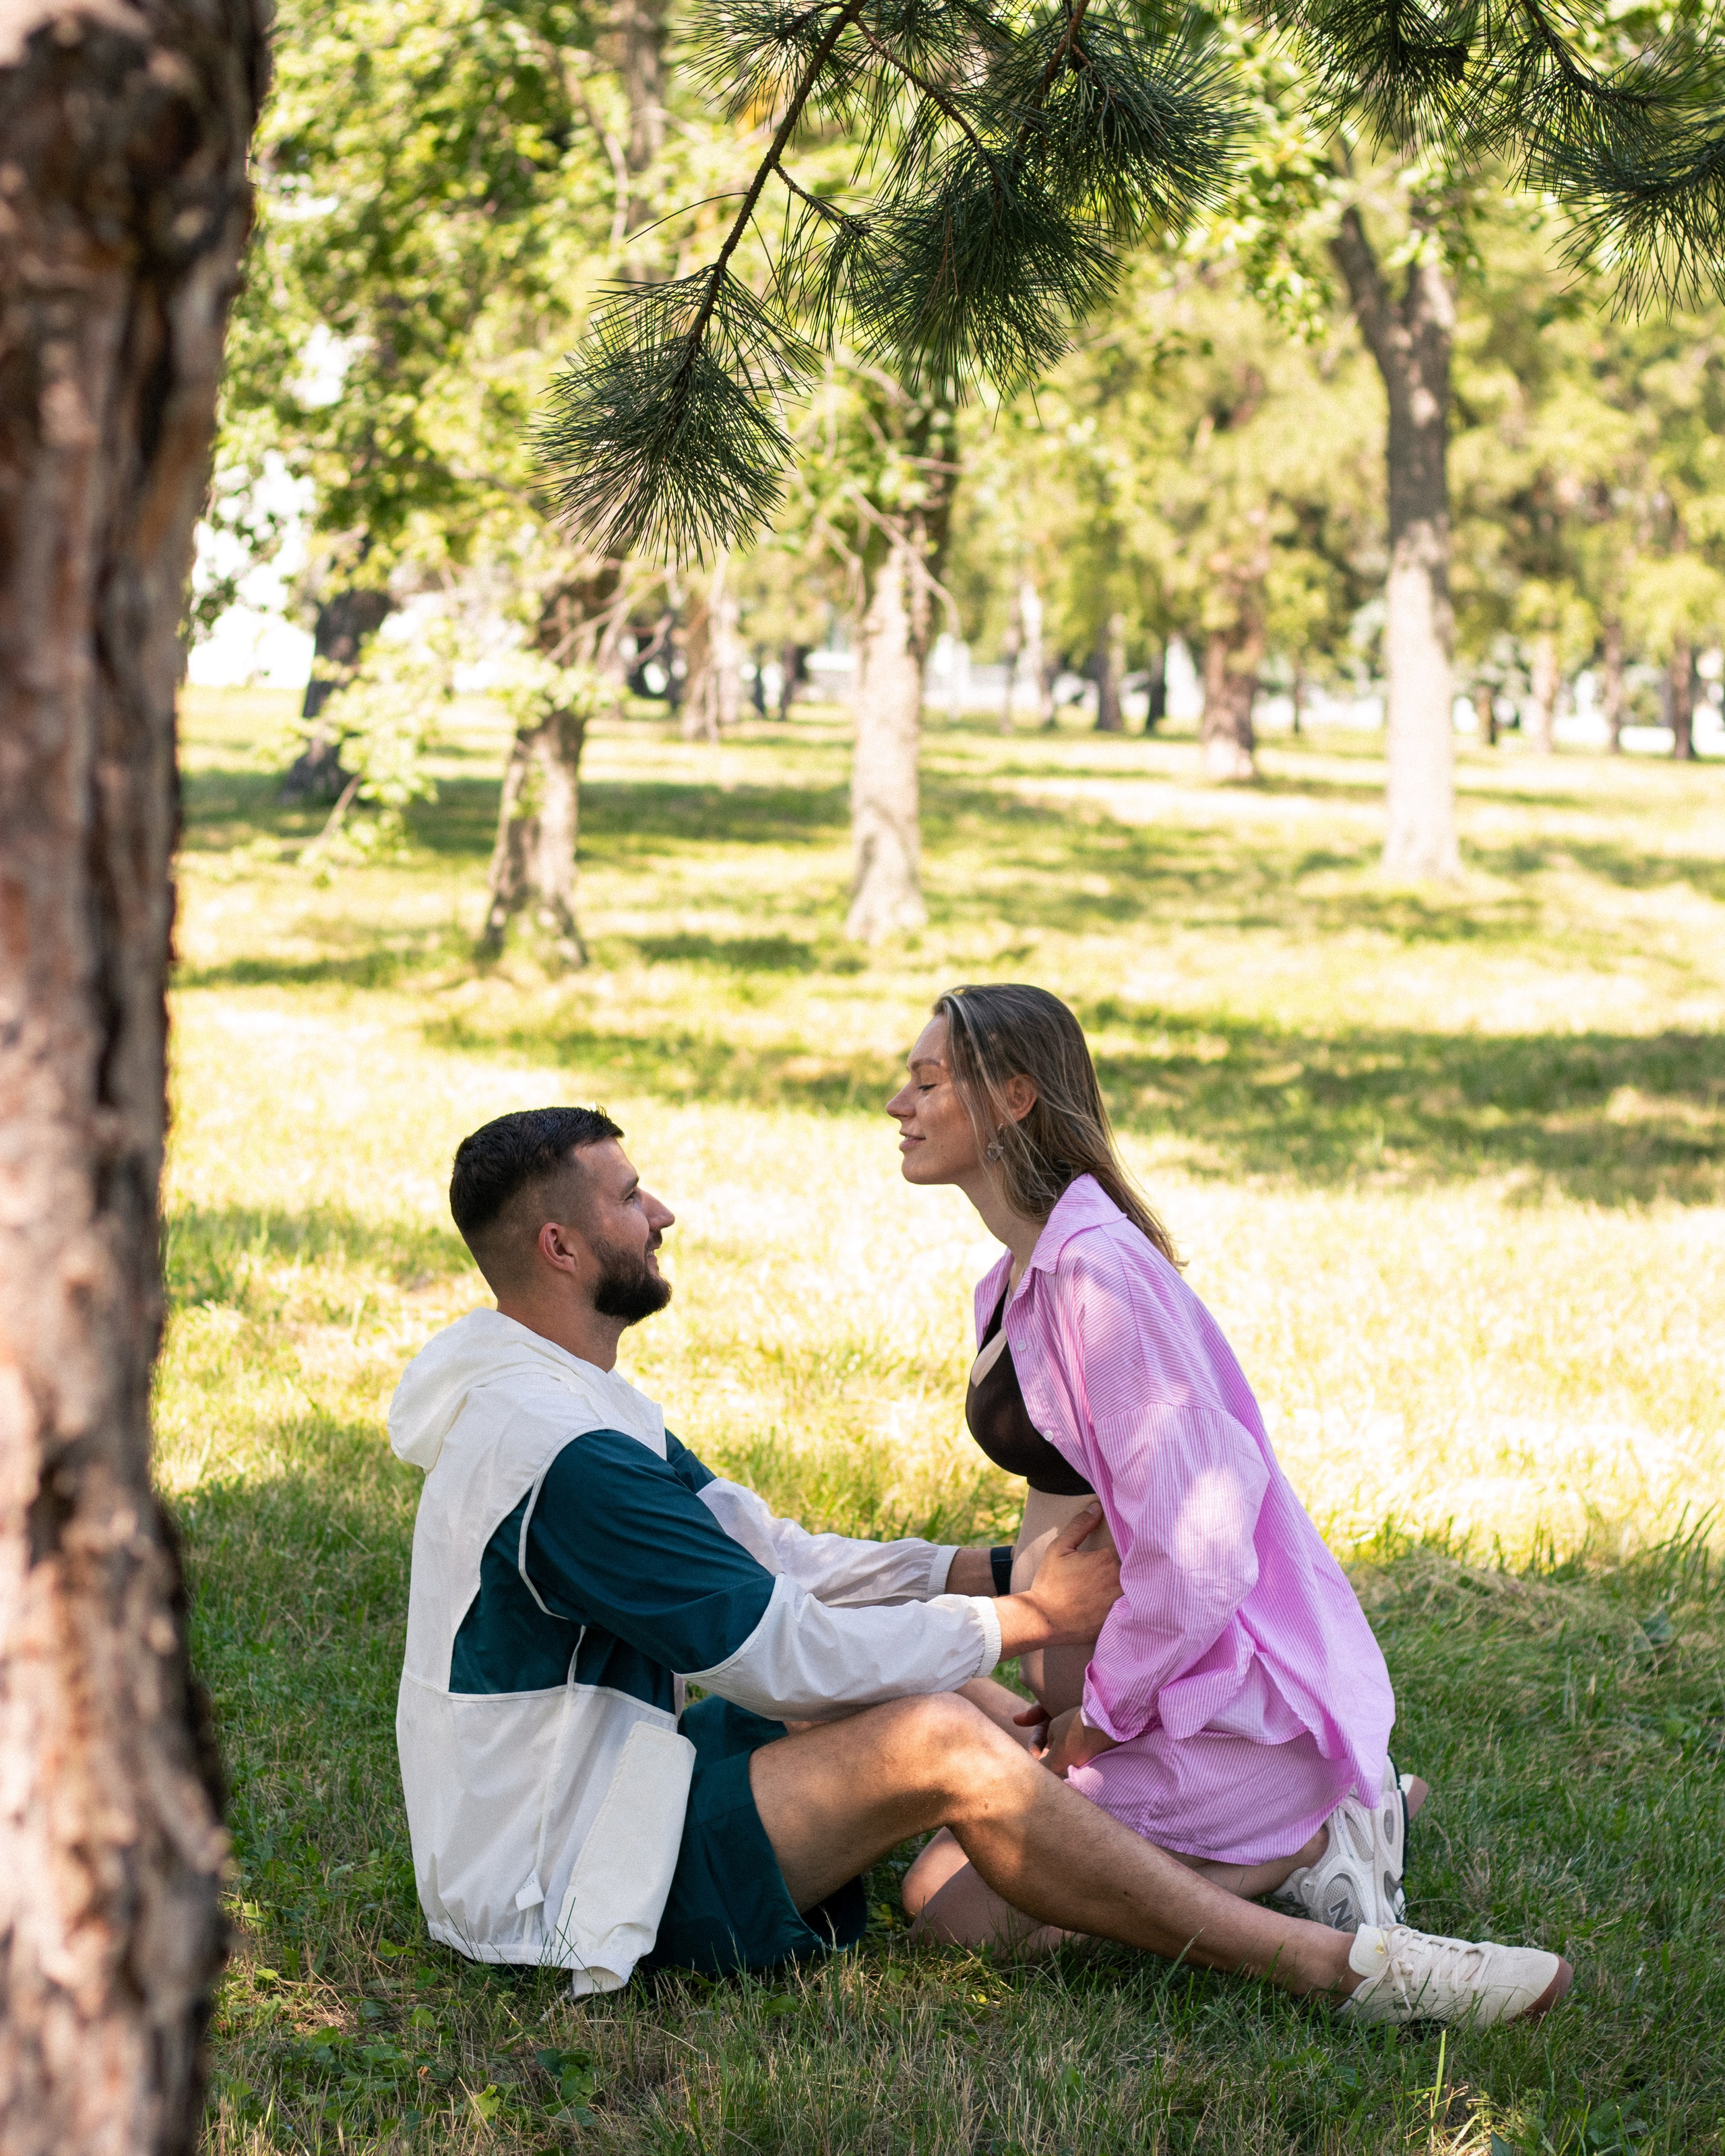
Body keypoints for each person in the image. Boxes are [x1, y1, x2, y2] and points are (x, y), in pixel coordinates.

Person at [389, 1102, 1572, 2027]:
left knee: (948, 1695)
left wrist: (982, 1566)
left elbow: (776, 1556)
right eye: (632, 1195)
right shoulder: (564, 1454)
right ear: (560, 1245)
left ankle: (1259, 1821)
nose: (664, 1212)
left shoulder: (562, 1393)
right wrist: (1030, 1612)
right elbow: (783, 1658)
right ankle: (1341, 1967)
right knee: (938, 1733)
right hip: (562, 1876)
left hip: (615, 1787)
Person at [887, 984, 1429, 1952]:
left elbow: (1199, 1552)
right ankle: (1362, 1799)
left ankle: (1314, 1834)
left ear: (1014, 1099)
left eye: (928, 1082)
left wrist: (1096, 1718)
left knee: (955, 1920)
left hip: (1203, 1718)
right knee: (934, 1880)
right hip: (1111, 1701)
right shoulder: (1019, 1274)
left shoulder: (1096, 1276)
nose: (899, 1105)